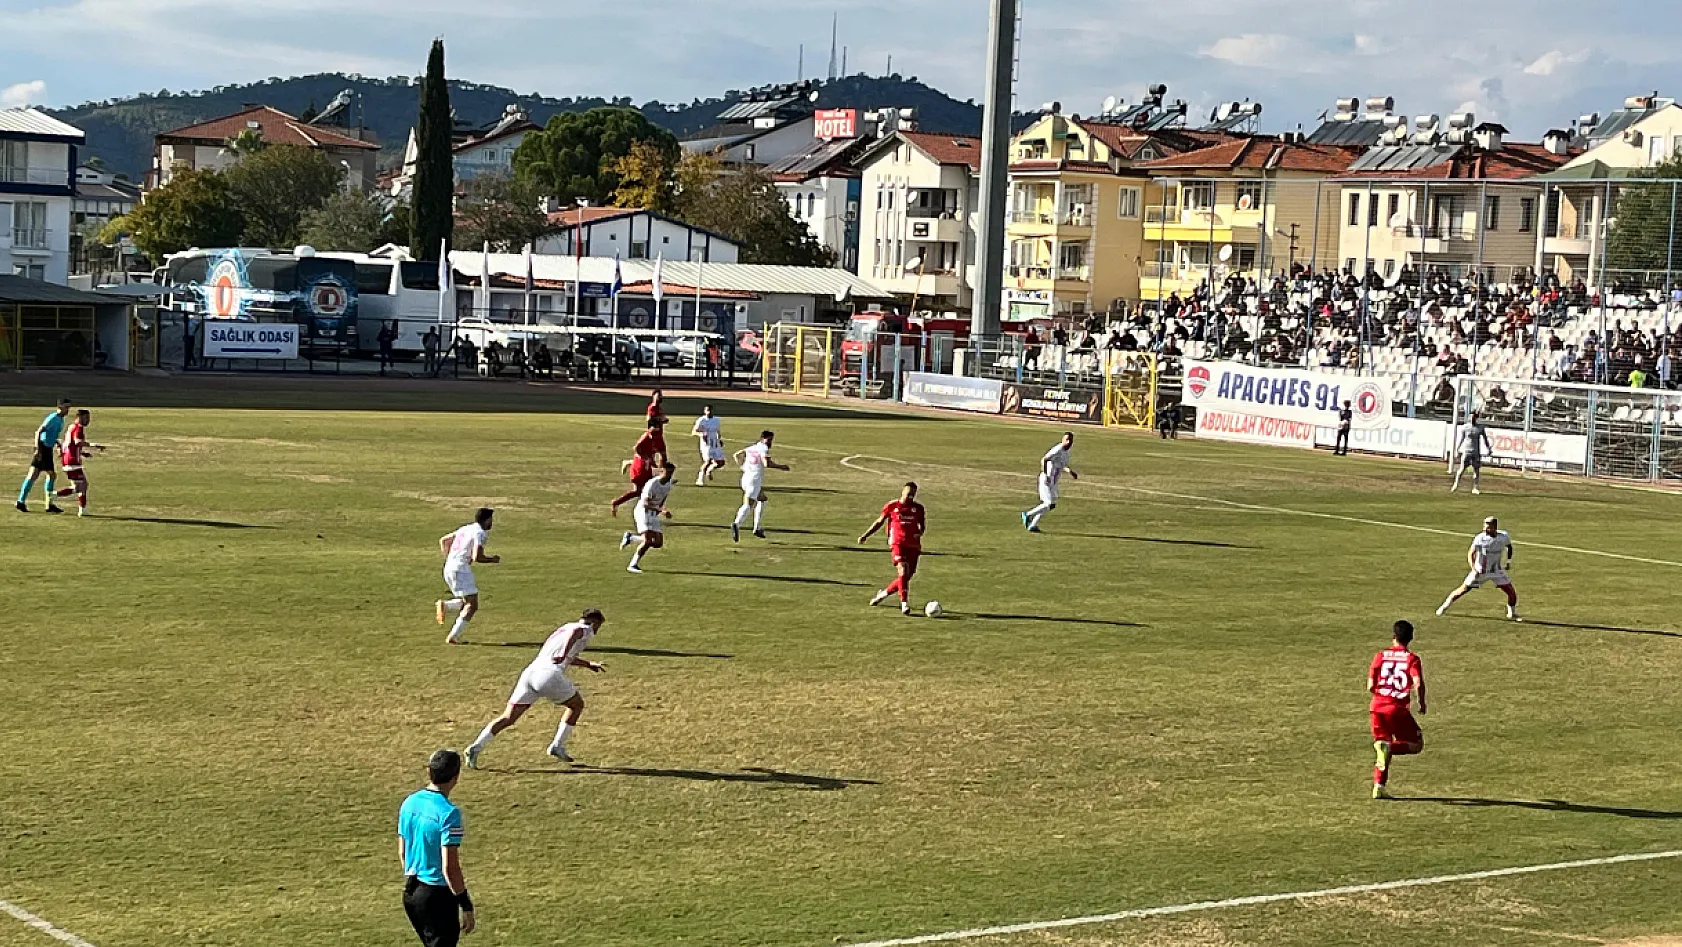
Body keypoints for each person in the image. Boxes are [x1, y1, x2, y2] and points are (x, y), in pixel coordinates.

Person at [464, 608, 607, 767]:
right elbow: (574, 636)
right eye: (598, 626)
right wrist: (563, 652)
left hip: (530, 674)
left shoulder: (563, 628)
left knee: (508, 717)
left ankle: (476, 747)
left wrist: (588, 664)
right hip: (548, 675)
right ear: (594, 622)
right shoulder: (583, 629)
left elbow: (568, 657)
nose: (597, 631)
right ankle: (557, 746)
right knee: (577, 705)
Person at [398, 749, 475, 947]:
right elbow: (450, 867)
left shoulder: (410, 803)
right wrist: (465, 903)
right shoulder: (449, 814)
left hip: (412, 893)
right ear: (456, 777)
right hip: (437, 897)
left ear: (428, 772)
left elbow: (403, 851)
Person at [1367, 620, 1426, 800]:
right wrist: (1422, 703)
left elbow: (1370, 686)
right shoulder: (1412, 659)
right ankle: (1388, 747)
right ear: (1411, 638)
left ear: (1393, 636)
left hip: (1377, 707)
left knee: (1382, 748)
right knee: (1416, 745)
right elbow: (1418, 682)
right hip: (1396, 709)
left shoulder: (1380, 656)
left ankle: (1379, 786)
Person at [859, 481, 926, 616]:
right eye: (908, 493)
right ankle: (904, 604)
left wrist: (920, 532)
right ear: (903, 492)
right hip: (897, 543)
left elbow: (922, 526)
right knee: (902, 571)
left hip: (913, 545)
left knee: (906, 577)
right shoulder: (892, 506)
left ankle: (883, 594)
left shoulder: (918, 508)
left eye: (913, 494)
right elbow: (879, 522)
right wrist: (866, 535)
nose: (910, 496)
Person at [435, 508, 501, 645]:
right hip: (460, 569)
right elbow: (478, 557)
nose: (491, 523)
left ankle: (446, 606)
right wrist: (492, 559)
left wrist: (451, 559)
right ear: (486, 520)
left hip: (449, 567)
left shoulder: (466, 528)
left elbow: (444, 541)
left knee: (468, 601)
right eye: (491, 520)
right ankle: (453, 636)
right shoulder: (480, 533)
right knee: (472, 605)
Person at [1436, 516, 1521, 621]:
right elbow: (1471, 553)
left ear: (1494, 527)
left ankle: (1512, 613)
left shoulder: (1503, 536)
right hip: (1481, 571)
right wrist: (1474, 568)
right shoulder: (1480, 538)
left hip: (1496, 571)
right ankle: (1444, 607)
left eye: (1488, 526)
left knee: (1511, 592)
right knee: (1463, 590)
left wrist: (1508, 561)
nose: (1485, 528)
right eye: (1485, 526)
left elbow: (1509, 547)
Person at [731, 430, 790, 542]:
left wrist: (742, 467)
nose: (770, 442)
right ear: (764, 439)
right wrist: (781, 467)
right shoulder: (763, 448)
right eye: (769, 440)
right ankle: (736, 524)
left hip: (745, 478)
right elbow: (766, 463)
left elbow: (736, 455)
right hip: (754, 480)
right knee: (748, 505)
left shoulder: (752, 447)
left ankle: (757, 528)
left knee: (763, 499)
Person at [17, 398, 71, 514]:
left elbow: (51, 433)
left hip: (47, 448)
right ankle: (48, 504)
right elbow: (39, 431)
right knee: (50, 475)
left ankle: (21, 502)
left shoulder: (61, 420)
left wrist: (56, 443)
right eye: (66, 407)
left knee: (34, 475)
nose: (68, 410)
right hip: (43, 448)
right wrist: (37, 448)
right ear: (60, 407)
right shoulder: (53, 418)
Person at [620, 461, 676, 574]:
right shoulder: (652, 484)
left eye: (671, 473)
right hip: (643, 512)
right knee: (647, 540)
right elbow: (645, 503)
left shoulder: (668, 483)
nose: (669, 475)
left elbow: (662, 499)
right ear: (662, 471)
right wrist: (661, 510)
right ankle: (632, 564)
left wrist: (661, 510)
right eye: (667, 472)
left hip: (653, 512)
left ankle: (631, 538)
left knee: (658, 543)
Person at [1021, 432, 1077, 533]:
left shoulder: (1067, 452)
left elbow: (1060, 464)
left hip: (1053, 483)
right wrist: (1046, 474)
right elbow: (1044, 459)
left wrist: (1069, 471)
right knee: (1048, 503)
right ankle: (1027, 514)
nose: (1069, 442)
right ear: (1063, 440)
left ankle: (1032, 525)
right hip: (1046, 480)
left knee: (1051, 505)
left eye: (1071, 440)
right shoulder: (1057, 449)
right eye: (1067, 440)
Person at [52, 409, 104, 516]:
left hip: (67, 460)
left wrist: (82, 453)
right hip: (73, 462)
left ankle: (55, 496)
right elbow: (78, 442)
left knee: (78, 487)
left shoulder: (71, 427)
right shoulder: (78, 428)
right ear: (79, 417)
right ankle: (80, 509)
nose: (88, 421)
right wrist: (94, 445)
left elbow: (71, 445)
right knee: (83, 485)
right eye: (86, 418)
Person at [610, 419, 667, 516]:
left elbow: (662, 453)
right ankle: (617, 503)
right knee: (640, 491)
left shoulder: (658, 439)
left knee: (646, 490)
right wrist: (645, 458)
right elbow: (636, 448)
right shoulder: (646, 437)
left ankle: (655, 510)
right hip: (640, 466)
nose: (656, 433)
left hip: (647, 466)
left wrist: (659, 466)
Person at [1450, 411, 1494, 494]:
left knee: (1476, 470)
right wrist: (1457, 449)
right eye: (1470, 417)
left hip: (1476, 452)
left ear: (1476, 418)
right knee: (1462, 469)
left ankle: (1475, 488)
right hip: (1467, 451)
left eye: (1473, 417)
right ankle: (1455, 485)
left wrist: (1488, 449)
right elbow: (1462, 439)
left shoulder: (1480, 428)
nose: (1472, 418)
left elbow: (1485, 439)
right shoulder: (1465, 427)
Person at [690, 405, 727, 486]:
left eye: (710, 410)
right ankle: (700, 479)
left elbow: (718, 431)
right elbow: (694, 432)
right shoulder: (701, 420)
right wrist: (701, 434)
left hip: (715, 443)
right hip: (706, 444)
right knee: (708, 461)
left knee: (721, 462)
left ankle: (709, 470)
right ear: (704, 411)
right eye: (707, 410)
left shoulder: (716, 420)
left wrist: (719, 440)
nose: (708, 412)